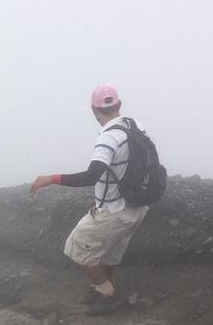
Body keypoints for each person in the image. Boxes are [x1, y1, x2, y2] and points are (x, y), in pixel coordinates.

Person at [29, 84, 149, 301]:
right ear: (119, 104)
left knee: (77, 248)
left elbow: (91, 176)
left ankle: (105, 291)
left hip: (113, 210)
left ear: (94, 110)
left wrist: (52, 179)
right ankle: (102, 290)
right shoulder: (135, 126)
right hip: (137, 206)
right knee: (110, 252)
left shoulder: (108, 138)